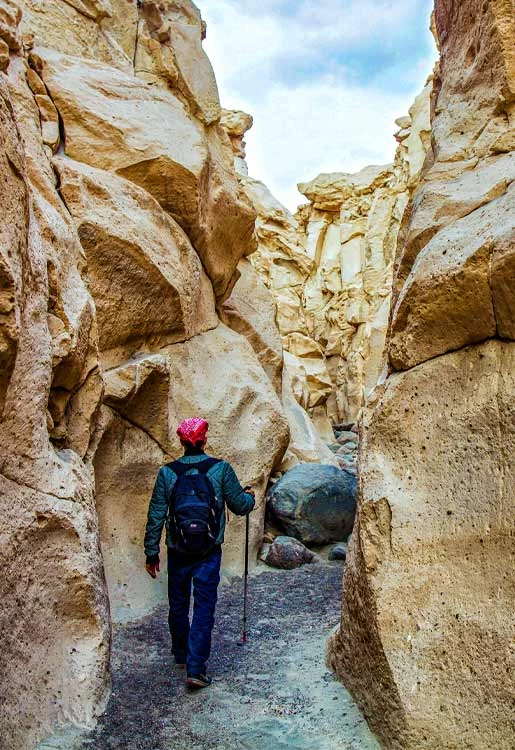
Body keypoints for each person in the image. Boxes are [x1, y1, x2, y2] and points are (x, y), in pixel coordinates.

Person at [144, 417, 255, 689]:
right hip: (208, 550)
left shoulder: (167, 474)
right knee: (204, 606)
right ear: (205, 439)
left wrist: (151, 552)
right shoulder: (220, 470)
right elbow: (240, 505)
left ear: (181, 441)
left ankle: (181, 654)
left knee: (179, 603)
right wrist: (250, 496)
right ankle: (196, 669)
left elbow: (157, 514)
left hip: (178, 549)